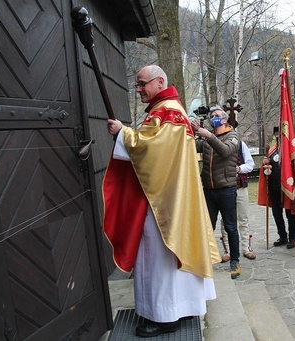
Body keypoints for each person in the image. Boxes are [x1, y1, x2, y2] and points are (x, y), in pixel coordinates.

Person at [104, 65, 220, 337]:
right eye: (137, 84)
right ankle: (182, 306)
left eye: (143, 83)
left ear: (159, 82)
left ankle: (166, 315)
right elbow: (154, 145)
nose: (139, 89)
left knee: (160, 256)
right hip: (168, 195)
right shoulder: (165, 109)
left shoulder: (168, 111)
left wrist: (123, 133)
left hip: (164, 202)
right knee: (164, 256)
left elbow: (155, 149)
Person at [192, 106, 242, 279]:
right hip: (209, 190)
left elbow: (226, 151)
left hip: (227, 189)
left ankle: (235, 261)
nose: (213, 118)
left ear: (225, 119)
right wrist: (192, 131)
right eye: (212, 115)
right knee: (207, 227)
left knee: (230, 227)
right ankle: (206, 261)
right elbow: (192, 146)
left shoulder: (233, 136)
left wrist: (208, 135)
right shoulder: (207, 138)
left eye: (216, 116)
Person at [258, 127, 295, 249]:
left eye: (281, 133)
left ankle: (292, 238)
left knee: (290, 214)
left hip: (287, 188)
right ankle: (283, 236)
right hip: (274, 188)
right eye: (277, 133)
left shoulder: (291, 151)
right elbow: (267, 170)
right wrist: (265, 164)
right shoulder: (271, 151)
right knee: (276, 213)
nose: (278, 135)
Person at [220, 135, 256, 262]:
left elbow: (250, 164)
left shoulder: (240, 145)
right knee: (226, 220)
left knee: (243, 218)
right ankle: (227, 250)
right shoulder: (216, 143)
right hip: (223, 188)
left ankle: (246, 248)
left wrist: (239, 168)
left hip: (239, 187)